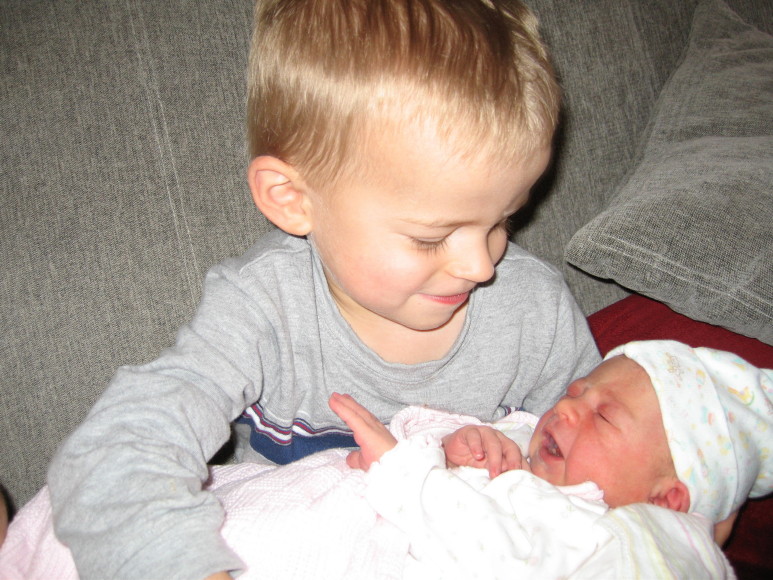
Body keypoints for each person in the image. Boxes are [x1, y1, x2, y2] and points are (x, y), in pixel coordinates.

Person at [46, 1, 599, 579]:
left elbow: (614, 468)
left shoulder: (535, 313)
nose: (481, 265)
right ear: (292, 199)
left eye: (503, 220)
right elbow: (118, 451)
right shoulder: (263, 308)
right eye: (431, 238)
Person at [6, 341, 768, 579]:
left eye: (602, 415)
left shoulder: (617, 541)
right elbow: (411, 427)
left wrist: (409, 472)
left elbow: (503, 554)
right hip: (190, 520)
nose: (565, 410)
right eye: (575, 392)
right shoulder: (522, 442)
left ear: (667, 498)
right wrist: (453, 438)